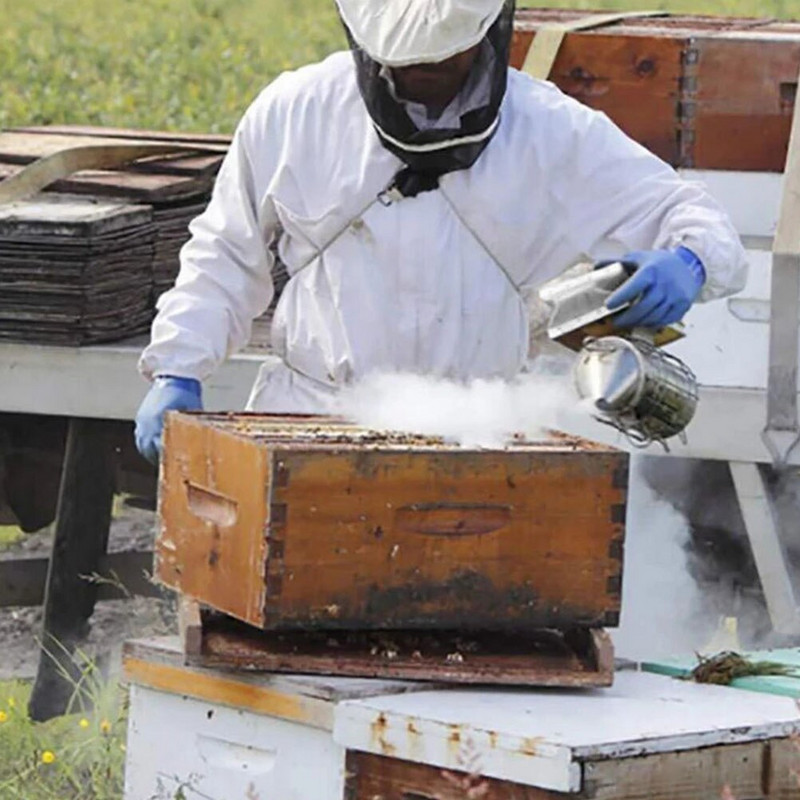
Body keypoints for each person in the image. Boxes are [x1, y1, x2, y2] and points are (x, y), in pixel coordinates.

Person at [135, 0, 748, 463]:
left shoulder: (552, 131)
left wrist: (689, 262)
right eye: (407, 61)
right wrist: (178, 369)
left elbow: (700, 221)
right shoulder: (296, 111)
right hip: (310, 422)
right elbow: (224, 253)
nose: (426, 70)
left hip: (477, 434)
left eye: (445, 55)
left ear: (487, 31)